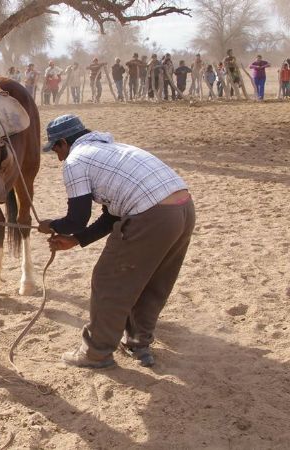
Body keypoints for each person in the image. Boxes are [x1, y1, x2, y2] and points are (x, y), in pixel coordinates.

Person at [37, 114, 196, 369]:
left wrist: (52, 226)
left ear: (64, 142)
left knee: (108, 280)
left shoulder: (76, 160)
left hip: (151, 215)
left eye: (56, 149)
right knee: (153, 280)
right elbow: (112, 214)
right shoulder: (113, 150)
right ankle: (138, 343)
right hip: (183, 210)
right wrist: (77, 240)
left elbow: (77, 218)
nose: (58, 157)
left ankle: (96, 353)